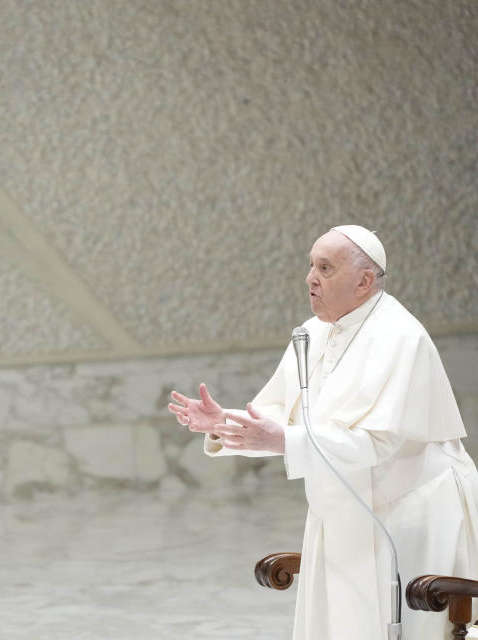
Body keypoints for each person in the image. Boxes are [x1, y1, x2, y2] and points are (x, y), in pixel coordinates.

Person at [168, 225, 478, 640]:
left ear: (364, 281)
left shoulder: (401, 338)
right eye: (311, 265)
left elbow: (377, 441)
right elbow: (281, 413)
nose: (310, 278)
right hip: (342, 508)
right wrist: (224, 422)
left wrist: (283, 441)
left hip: (410, 513)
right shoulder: (311, 333)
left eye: (325, 268)